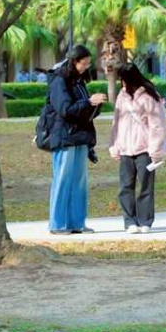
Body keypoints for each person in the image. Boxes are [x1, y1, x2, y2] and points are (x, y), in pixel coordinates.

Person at [47, 45, 107, 235]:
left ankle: (77, 223)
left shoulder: (79, 82)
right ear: (74, 61)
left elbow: (80, 110)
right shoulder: (59, 81)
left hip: (80, 136)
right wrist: (88, 102)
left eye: (88, 63)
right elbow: (65, 110)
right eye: (84, 63)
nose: (86, 67)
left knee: (79, 181)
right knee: (63, 179)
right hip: (65, 137)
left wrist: (94, 105)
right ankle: (58, 224)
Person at [109, 63, 166, 234]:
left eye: (123, 79)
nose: (121, 83)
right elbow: (116, 122)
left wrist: (155, 150)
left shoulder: (149, 96)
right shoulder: (122, 96)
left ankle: (145, 221)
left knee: (145, 186)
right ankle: (130, 221)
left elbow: (157, 125)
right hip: (126, 148)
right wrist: (114, 145)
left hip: (145, 149)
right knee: (125, 186)